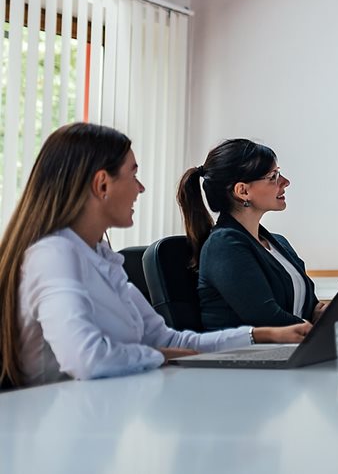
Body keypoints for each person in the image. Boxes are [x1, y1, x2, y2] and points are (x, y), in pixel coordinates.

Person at [0, 123, 310, 388]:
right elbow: (88, 360)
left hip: (101, 413)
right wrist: (162, 355)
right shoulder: (54, 255)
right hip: (54, 423)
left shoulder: (101, 258)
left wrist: (263, 335)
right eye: (133, 175)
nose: (141, 188)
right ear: (102, 183)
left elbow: (171, 340)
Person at [178, 139, 322, 330]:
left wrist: (320, 314)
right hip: (243, 355)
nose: (285, 182)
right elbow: (266, 318)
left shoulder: (279, 243)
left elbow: (309, 306)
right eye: (273, 176)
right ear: (243, 191)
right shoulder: (223, 245)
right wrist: (318, 326)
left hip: (288, 351)